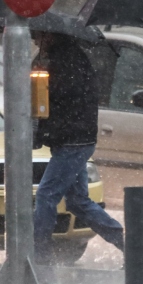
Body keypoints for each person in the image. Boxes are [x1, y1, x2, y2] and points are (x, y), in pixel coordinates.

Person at [31, 31, 125, 263]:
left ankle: (37, 254)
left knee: (46, 195)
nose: (34, 40)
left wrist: (42, 76)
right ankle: (128, 244)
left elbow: (57, 97)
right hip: (72, 139)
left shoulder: (67, 60)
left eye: (36, 36)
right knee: (77, 201)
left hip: (73, 140)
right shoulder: (61, 58)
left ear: (50, 36)